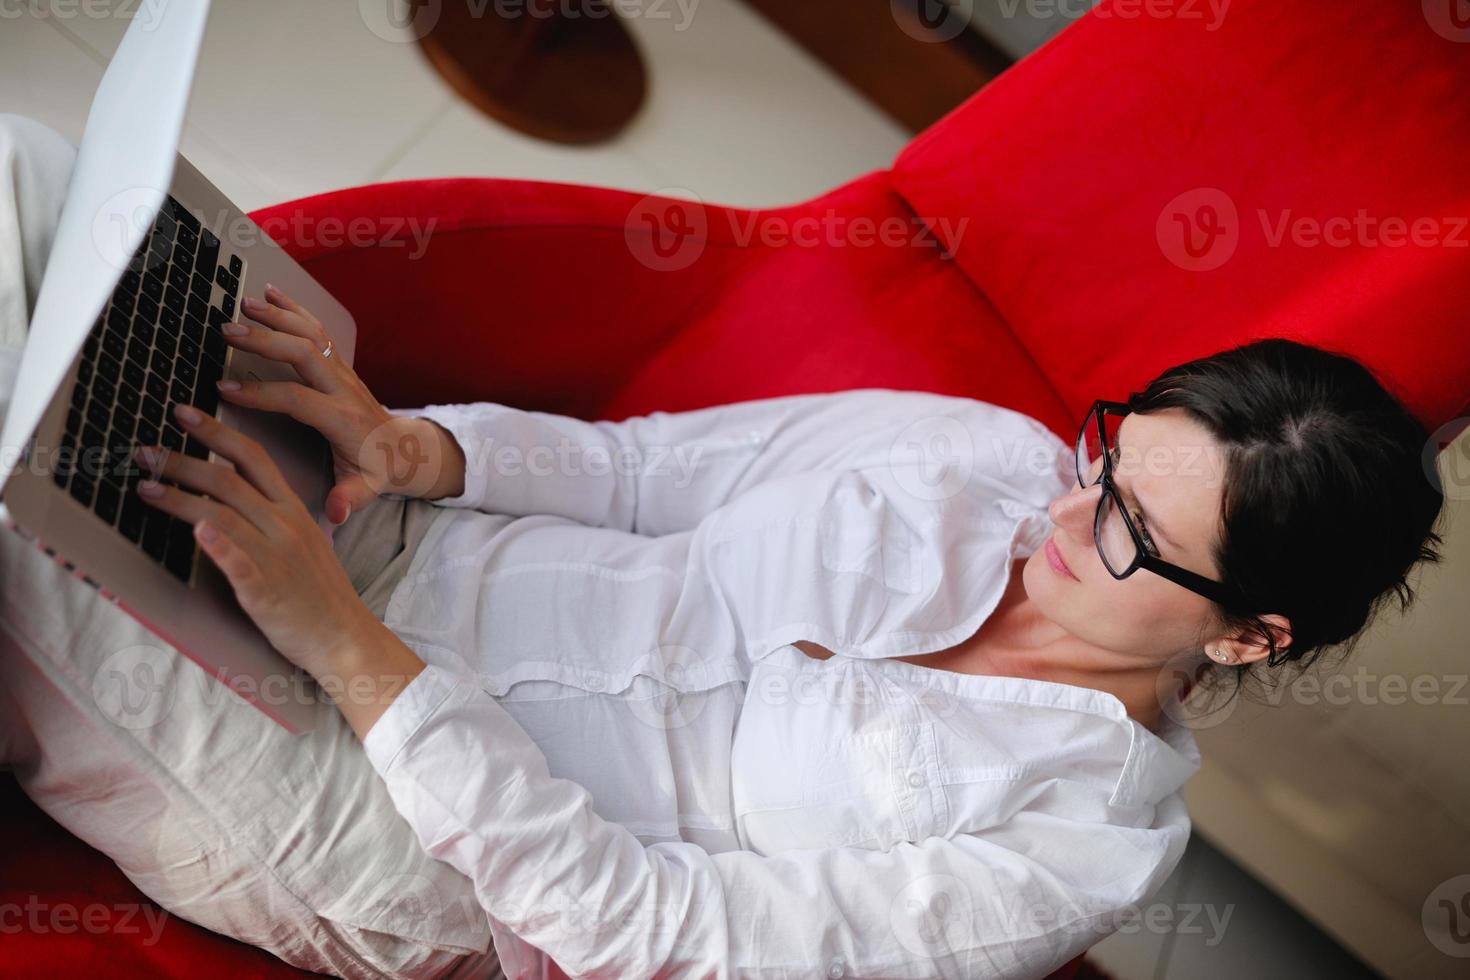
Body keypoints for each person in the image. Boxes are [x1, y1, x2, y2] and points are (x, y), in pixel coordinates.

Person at [1, 112, 1448, 978]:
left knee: (17, 536)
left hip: (381, 824)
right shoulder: (985, 456)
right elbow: (643, 476)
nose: (1063, 518)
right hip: (384, 549)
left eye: (1133, 536)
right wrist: (413, 450)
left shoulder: (1076, 850)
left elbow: (651, 937)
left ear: (1245, 635)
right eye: (1105, 460)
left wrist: (350, 656)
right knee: (32, 179)